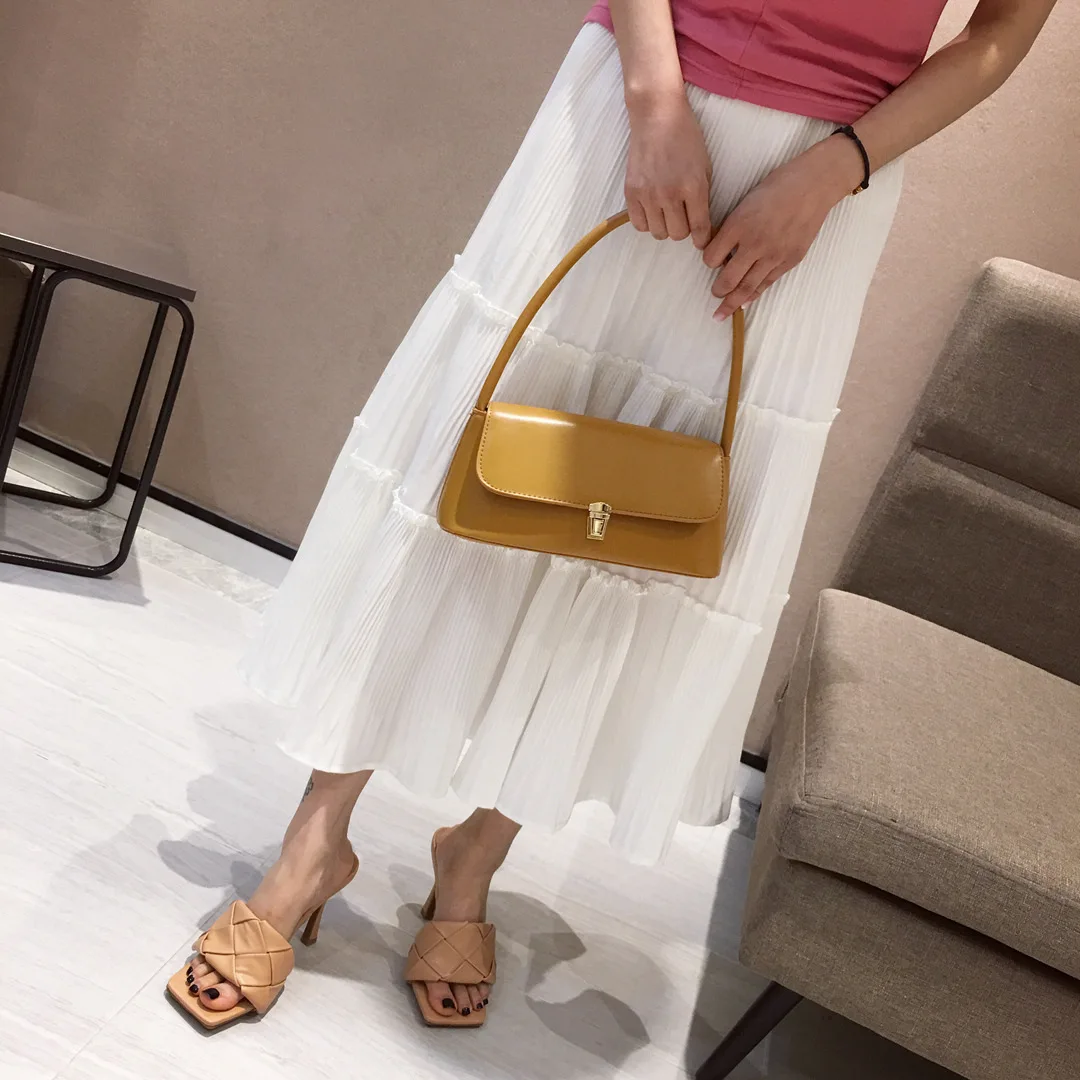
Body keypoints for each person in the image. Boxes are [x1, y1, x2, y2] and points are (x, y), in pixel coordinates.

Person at [169, 0, 1057, 1031]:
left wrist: (833, 172)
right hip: (637, 91)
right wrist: (654, 102)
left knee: (645, 524)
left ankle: (477, 853)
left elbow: (1000, 35)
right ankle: (315, 841)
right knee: (467, 461)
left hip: (824, 174)